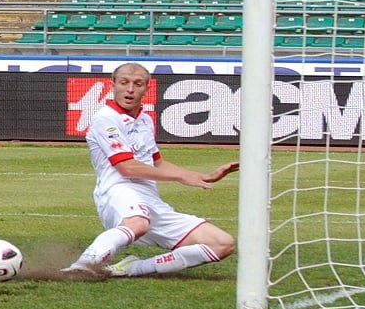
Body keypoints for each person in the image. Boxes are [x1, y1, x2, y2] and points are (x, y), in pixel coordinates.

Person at [62, 63, 238, 278]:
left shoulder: (144, 120)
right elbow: (127, 167)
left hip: (150, 199)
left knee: (222, 243)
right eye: (124, 82)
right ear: (113, 85)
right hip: (118, 191)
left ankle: (130, 269)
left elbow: (157, 162)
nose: (130, 89)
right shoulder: (105, 119)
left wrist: (202, 176)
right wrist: (181, 177)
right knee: (138, 222)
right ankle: (83, 265)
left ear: (147, 88)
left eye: (137, 84)